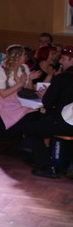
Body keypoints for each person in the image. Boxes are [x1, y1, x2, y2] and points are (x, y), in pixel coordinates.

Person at [21, 46, 73, 178]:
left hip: (66, 123)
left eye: (64, 59)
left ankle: (46, 166)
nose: (60, 61)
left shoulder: (62, 78)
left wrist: (45, 95)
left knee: (29, 128)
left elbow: (48, 103)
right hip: (67, 122)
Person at [0, 45, 41, 140]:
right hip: (6, 101)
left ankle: (28, 140)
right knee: (26, 117)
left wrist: (30, 79)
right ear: (16, 57)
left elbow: (28, 90)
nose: (25, 57)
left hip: (20, 100)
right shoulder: (1, 70)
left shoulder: (24, 68)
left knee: (35, 114)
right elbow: (3, 94)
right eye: (23, 55)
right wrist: (20, 84)